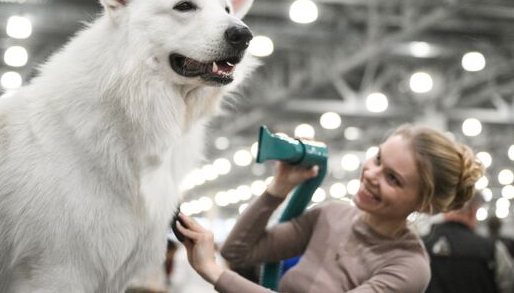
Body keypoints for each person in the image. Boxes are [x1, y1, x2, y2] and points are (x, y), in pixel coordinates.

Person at [175, 124, 485, 292]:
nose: (372, 175)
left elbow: (223, 263)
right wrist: (279, 188)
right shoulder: (332, 215)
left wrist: (212, 271)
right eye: (378, 159)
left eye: (393, 178)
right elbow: (239, 251)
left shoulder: (407, 266)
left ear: (425, 204)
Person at [423, 194, 514, 293]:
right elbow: (509, 285)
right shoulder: (492, 249)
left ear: (444, 210)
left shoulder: (420, 245)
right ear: (473, 211)